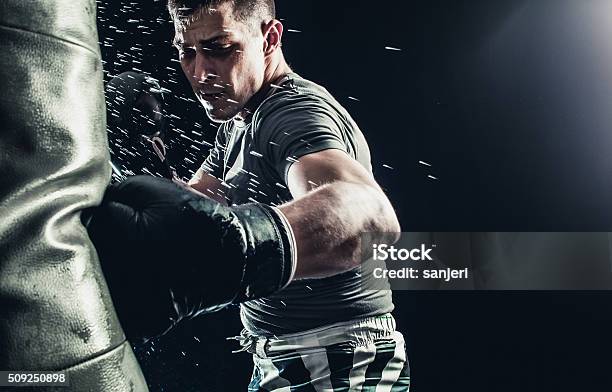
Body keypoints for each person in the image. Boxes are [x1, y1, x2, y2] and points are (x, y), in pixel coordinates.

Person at [167, 0, 410, 390]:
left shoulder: (292, 114)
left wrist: (245, 244)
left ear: (270, 38)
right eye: (186, 52)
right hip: (282, 354)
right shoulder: (240, 119)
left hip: (338, 359)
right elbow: (200, 202)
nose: (199, 73)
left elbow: (370, 217)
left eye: (219, 48)